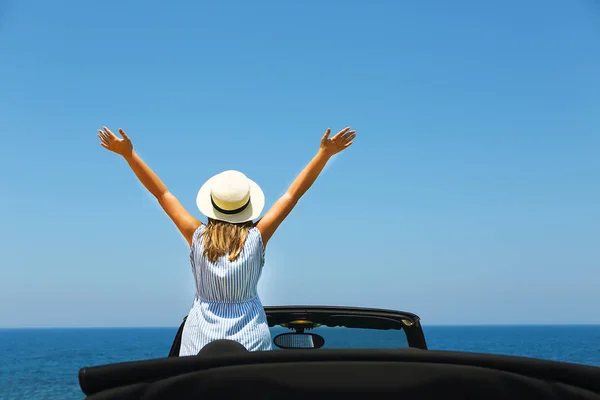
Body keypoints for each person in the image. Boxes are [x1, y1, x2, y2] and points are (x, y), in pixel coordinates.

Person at [97, 125, 356, 355]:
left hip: (199, 340)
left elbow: (162, 194)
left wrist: (129, 155)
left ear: (211, 206)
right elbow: (291, 195)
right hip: (250, 339)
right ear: (248, 206)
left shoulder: (196, 236)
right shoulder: (256, 237)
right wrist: (324, 154)